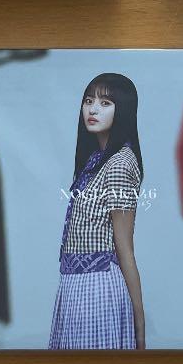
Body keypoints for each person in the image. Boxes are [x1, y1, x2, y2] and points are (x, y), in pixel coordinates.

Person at [49, 74, 145, 349]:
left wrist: (139, 328)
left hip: (97, 289)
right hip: (75, 286)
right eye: (89, 101)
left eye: (105, 103)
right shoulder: (96, 161)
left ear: (123, 110)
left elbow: (125, 248)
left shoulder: (119, 165)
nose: (92, 109)